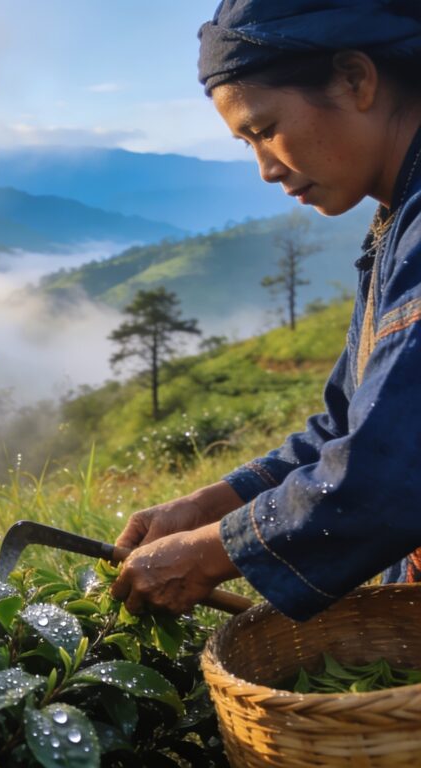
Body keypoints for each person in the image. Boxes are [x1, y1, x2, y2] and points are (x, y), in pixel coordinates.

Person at [110, 0, 421, 622]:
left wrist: (209, 553)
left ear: (356, 79)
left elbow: (389, 470)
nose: (266, 168)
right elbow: (349, 422)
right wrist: (211, 504)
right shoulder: (397, 219)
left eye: (264, 128)